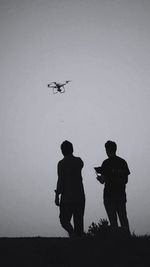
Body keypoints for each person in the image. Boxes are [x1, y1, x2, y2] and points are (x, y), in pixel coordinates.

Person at [95, 141, 130, 234]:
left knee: (113, 221)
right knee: (123, 219)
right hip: (121, 194)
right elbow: (126, 180)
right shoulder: (123, 162)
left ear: (107, 150)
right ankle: (128, 241)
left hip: (109, 196)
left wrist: (99, 178)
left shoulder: (106, 163)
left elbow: (102, 181)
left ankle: (116, 242)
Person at [55, 140, 85, 237]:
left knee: (64, 220)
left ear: (62, 151)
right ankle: (78, 242)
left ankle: (72, 234)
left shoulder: (61, 164)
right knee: (79, 223)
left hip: (67, 197)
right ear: (72, 149)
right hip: (80, 196)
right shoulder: (79, 161)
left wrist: (57, 195)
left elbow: (61, 180)